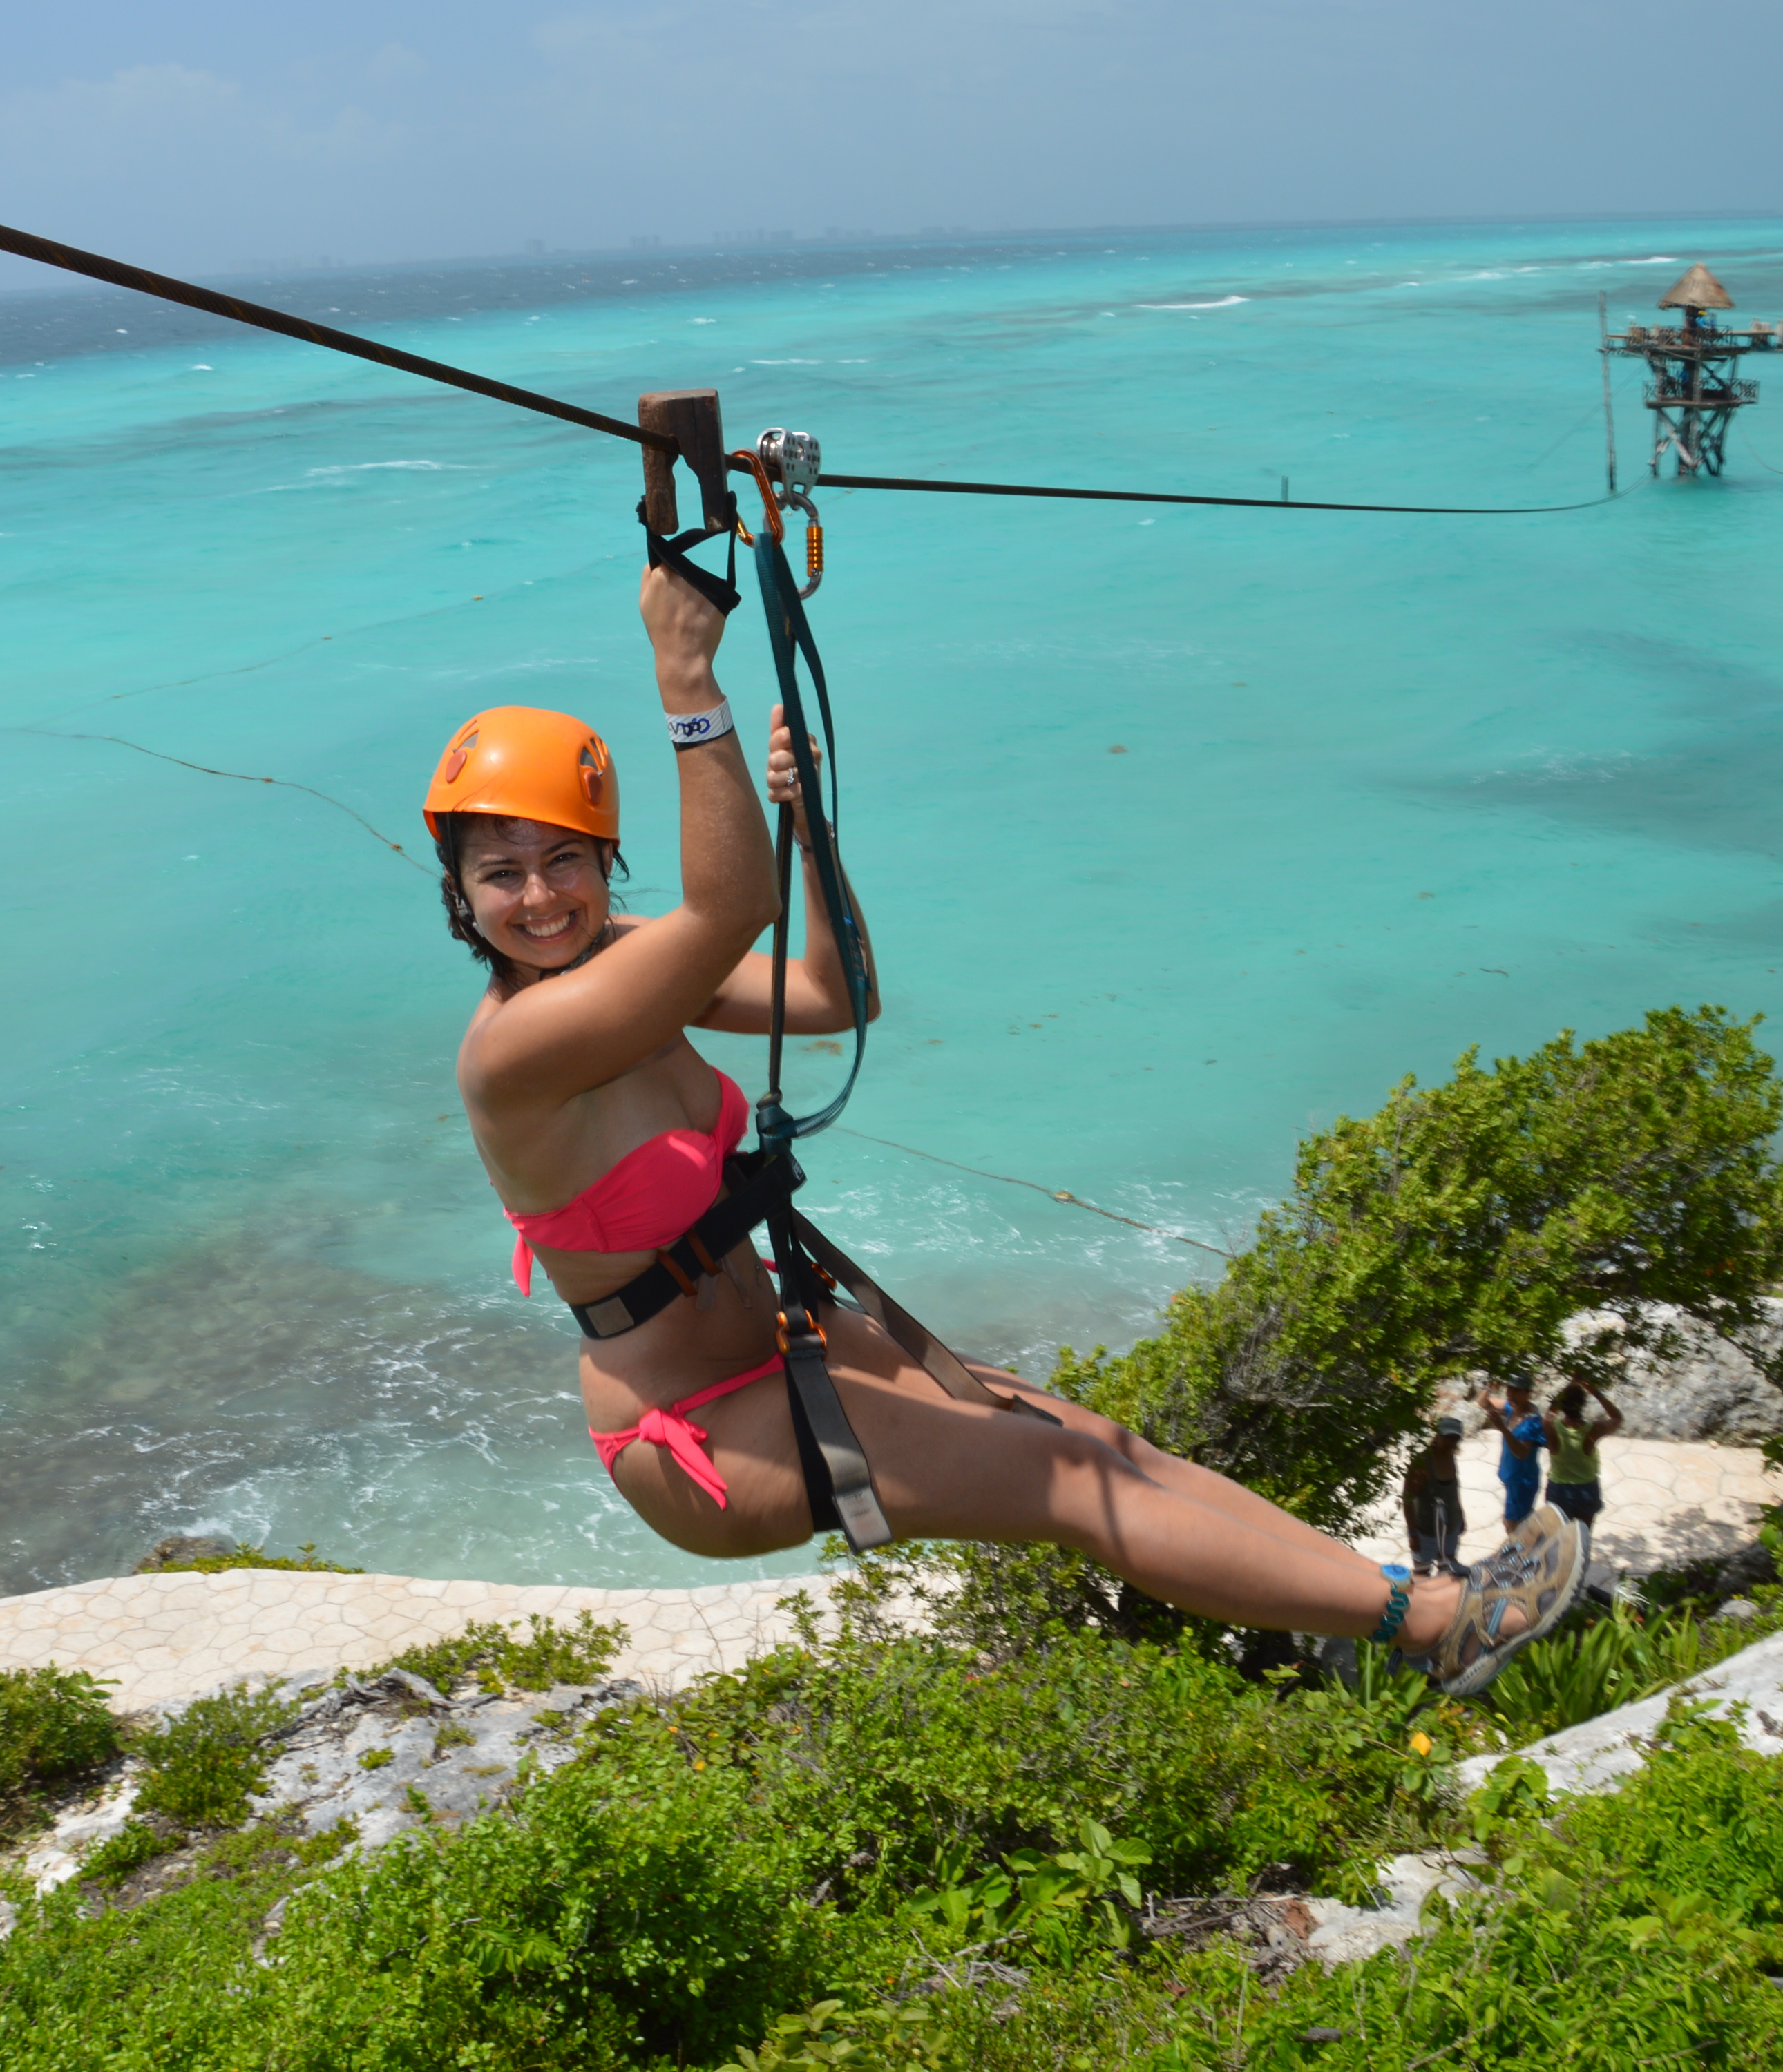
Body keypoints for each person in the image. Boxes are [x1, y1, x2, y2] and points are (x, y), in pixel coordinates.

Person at [430, 566, 1584, 1694]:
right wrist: (687, 677)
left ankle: (1373, 1596)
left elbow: (835, 998)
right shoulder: (515, 1053)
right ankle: (1435, 1623)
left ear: (600, 860)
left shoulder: (623, 963)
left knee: (1098, 1444)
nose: (539, 897)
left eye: (563, 861)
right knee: (1063, 1482)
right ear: (459, 893)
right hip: (696, 1434)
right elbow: (728, 906)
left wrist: (802, 825)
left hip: (785, 1344)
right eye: (502, 874)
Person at [1544, 1380, 1625, 1571]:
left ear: (1562, 1405)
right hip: (1586, 1490)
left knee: (1557, 1539)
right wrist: (1594, 1390)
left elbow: (1550, 1413)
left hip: (1558, 1490)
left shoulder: (1551, 1426)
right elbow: (1617, 1417)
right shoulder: (1593, 1429)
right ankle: (1577, 1577)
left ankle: (1556, 1577)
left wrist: (1568, 1386)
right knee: (1583, 1539)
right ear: (1583, 1405)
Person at [1400, 1417, 1468, 1577]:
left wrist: (1461, 1516)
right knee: (1422, 1575)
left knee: (1448, 1570)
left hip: (1451, 1526)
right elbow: (1408, 1499)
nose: (1451, 1442)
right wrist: (1412, 1534)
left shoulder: (1451, 1457)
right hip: (1425, 1530)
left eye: (1455, 1438)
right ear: (1437, 1435)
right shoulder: (1422, 1463)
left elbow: (1453, 1491)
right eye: (1447, 1437)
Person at [1481, 1375, 1550, 1532]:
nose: (1510, 1394)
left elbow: (1522, 1453)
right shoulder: (1512, 1409)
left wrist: (1503, 1428)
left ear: (1528, 1393)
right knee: (1512, 1523)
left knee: (1514, 1526)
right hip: (1513, 1478)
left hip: (1523, 1481)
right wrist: (1490, 1386)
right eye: (1509, 1389)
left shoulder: (1532, 1422)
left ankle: (1520, 1555)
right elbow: (1483, 1402)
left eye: (1516, 1391)